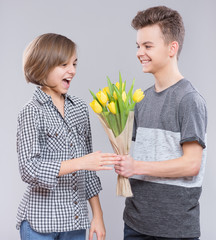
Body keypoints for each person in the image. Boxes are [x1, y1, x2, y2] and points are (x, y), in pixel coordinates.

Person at [115, 6, 207, 240]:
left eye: (147, 46)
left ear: (171, 48)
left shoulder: (189, 100)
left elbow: (191, 165)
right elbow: (141, 156)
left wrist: (135, 167)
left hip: (175, 231)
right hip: (135, 225)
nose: (139, 53)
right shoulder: (141, 101)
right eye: (138, 46)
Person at [16, 33, 120, 240]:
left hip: (75, 223)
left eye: (74, 63)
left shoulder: (80, 109)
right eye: (64, 64)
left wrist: (97, 216)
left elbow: (88, 171)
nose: (72, 70)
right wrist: (81, 162)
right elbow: (29, 169)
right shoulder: (31, 111)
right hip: (39, 224)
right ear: (43, 66)